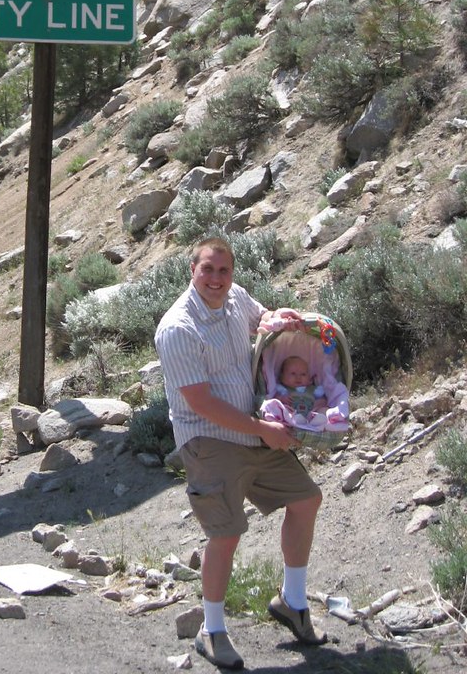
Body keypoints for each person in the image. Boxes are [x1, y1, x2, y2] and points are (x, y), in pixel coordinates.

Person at [154, 237, 327, 670]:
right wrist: (264, 429)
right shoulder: (178, 328)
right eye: (207, 270)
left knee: (306, 499)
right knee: (226, 533)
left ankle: (292, 601)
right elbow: (201, 403)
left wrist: (275, 318)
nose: (216, 279)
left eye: (223, 270)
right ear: (191, 270)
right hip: (208, 438)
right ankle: (211, 631)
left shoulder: (234, 299)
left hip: (250, 430)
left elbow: (260, 318)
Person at [260, 354, 328, 431]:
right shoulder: (283, 389)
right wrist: (281, 399)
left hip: (311, 412)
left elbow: (324, 399)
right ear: (282, 377)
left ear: (309, 378)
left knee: (324, 409)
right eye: (293, 373)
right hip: (292, 413)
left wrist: (320, 402)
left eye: (303, 374)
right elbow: (274, 400)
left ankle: (317, 421)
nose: (298, 377)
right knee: (280, 408)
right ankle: (296, 420)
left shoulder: (314, 390)